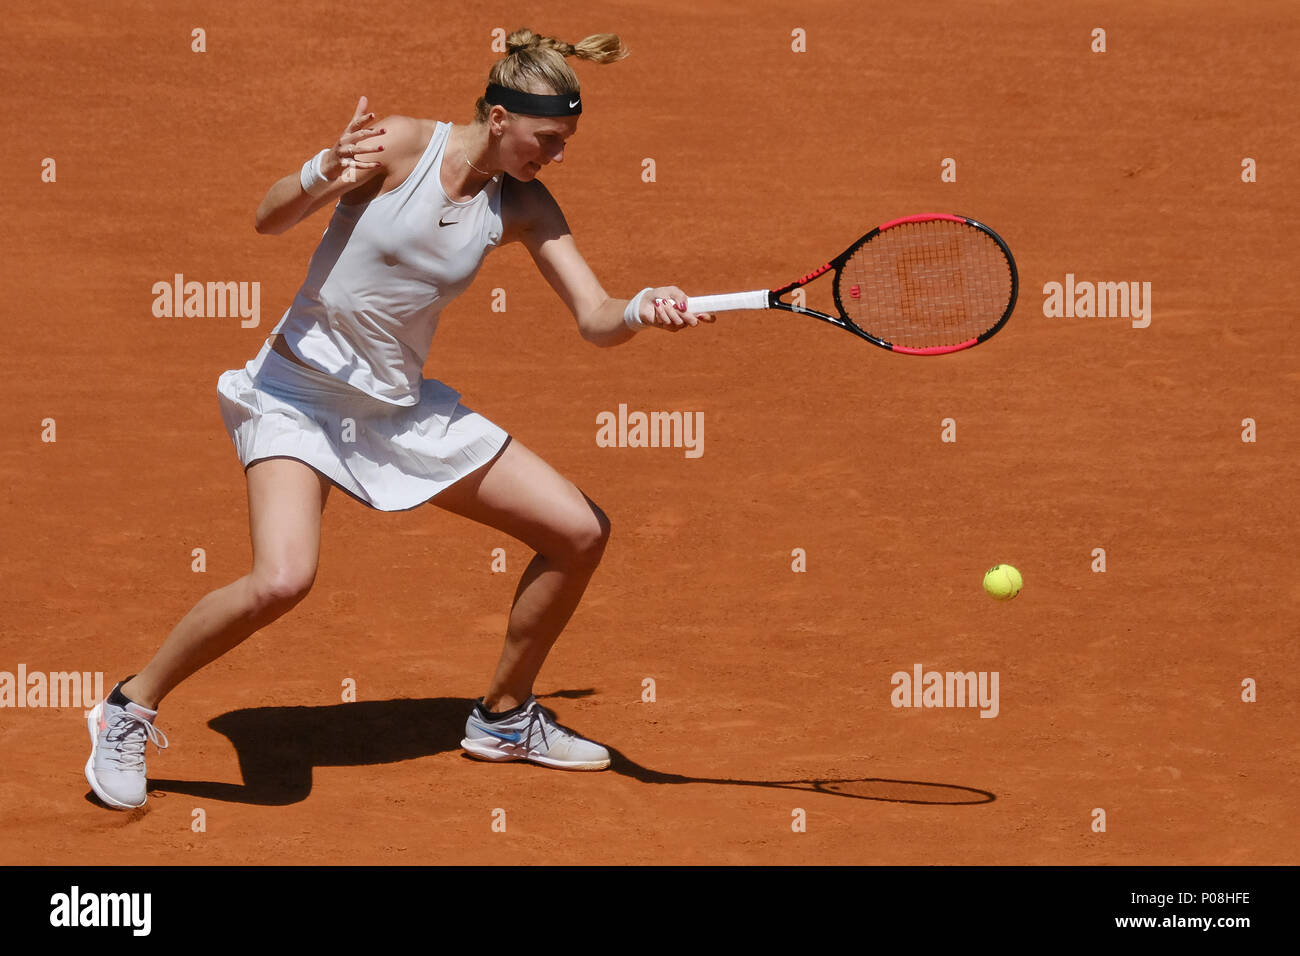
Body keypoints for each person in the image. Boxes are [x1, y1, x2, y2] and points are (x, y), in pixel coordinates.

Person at [84, 27, 713, 810]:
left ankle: (505, 718)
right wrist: (322, 170)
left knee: (579, 530)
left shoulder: (523, 205)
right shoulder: (398, 145)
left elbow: (595, 315)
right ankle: (127, 708)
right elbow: (267, 218)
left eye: (565, 142)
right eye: (547, 139)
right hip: (297, 397)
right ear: (497, 117)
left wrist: (644, 309)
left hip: (398, 409)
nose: (555, 156)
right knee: (282, 580)